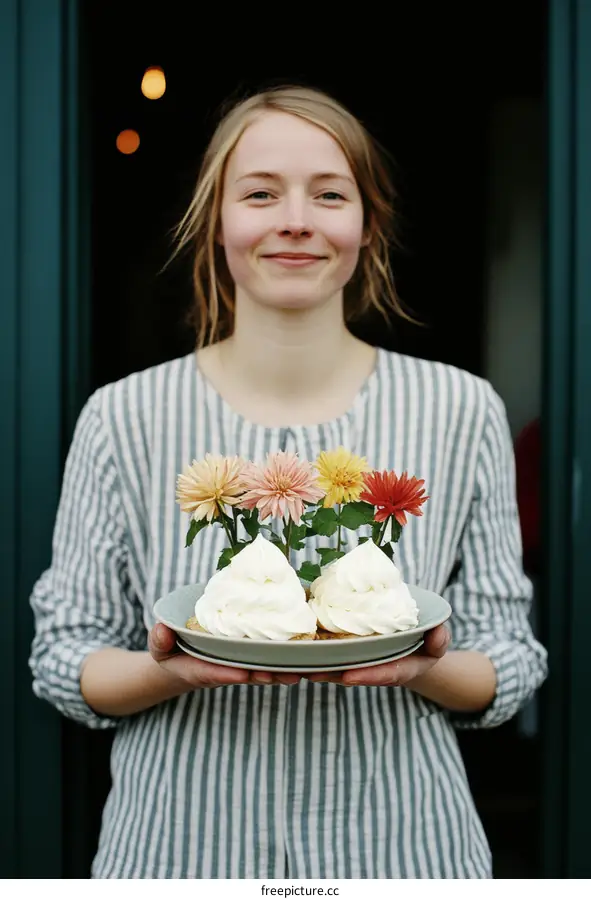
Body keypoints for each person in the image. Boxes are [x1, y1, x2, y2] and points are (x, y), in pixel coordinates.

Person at [29, 85, 548, 879]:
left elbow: (505, 659)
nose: (296, 219)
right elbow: (66, 655)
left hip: (402, 856)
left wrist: (424, 663)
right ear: (219, 223)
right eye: (261, 193)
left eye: (330, 194)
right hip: (180, 857)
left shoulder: (460, 410)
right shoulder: (123, 417)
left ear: (367, 222)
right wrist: (169, 666)